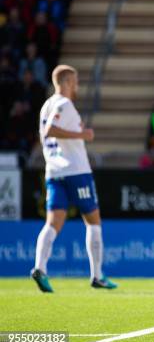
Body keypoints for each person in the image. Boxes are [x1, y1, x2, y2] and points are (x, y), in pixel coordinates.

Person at [31, 64, 117, 293]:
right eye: (75, 81)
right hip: (76, 172)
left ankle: (40, 267)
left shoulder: (46, 105)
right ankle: (97, 275)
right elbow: (51, 130)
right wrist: (83, 134)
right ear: (68, 82)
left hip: (54, 172)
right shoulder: (63, 103)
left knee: (52, 223)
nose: (77, 86)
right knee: (93, 222)